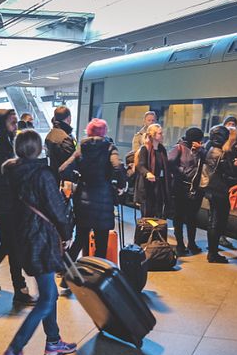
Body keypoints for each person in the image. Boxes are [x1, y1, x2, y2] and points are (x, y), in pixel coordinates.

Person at [2, 129, 76, 355]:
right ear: (39, 149)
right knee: (46, 299)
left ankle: (53, 341)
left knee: (49, 293)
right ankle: (16, 348)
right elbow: (55, 207)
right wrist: (66, 233)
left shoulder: (12, 171)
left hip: (24, 236)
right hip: (41, 238)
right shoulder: (42, 173)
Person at [0, 109, 36, 305]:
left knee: (9, 242)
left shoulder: (14, 142)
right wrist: (16, 177)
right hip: (3, 205)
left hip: (17, 202)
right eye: (11, 120)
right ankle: (20, 289)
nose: (15, 122)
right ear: (0, 123)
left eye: (15, 120)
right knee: (14, 246)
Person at [60, 118, 125, 260]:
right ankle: (98, 273)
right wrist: (120, 185)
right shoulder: (109, 147)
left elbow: (63, 169)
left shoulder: (82, 148)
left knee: (81, 237)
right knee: (101, 242)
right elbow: (118, 167)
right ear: (104, 131)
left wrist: (77, 178)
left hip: (83, 200)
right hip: (103, 198)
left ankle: (66, 269)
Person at [199, 125, 237, 264]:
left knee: (213, 221)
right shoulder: (221, 153)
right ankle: (213, 253)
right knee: (217, 221)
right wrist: (235, 165)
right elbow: (230, 173)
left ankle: (212, 251)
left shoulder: (211, 149)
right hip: (219, 190)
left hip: (211, 188)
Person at [168, 127, 205, 256]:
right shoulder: (179, 148)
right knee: (178, 216)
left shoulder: (200, 150)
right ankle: (179, 244)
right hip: (180, 187)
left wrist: (199, 151)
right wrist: (182, 172)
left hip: (195, 188)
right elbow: (170, 163)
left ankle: (192, 243)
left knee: (192, 217)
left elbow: (204, 163)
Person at [134, 124, 170, 218]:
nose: (162, 135)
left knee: (158, 215)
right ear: (153, 135)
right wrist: (148, 173)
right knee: (147, 216)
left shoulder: (162, 149)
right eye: (160, 133)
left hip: (159, 186)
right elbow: (140, 165)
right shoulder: (145, 149)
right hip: (147, 187)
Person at [45, 106, 77, 184]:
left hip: (54, 178)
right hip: (64, 182)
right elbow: (71, 163)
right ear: (69, 118)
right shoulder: (65, 138)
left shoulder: (50, 134)